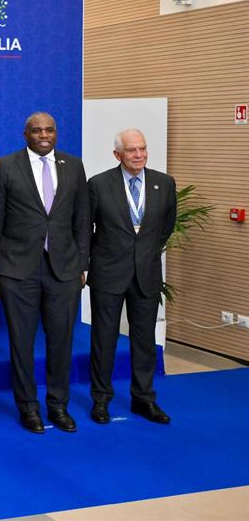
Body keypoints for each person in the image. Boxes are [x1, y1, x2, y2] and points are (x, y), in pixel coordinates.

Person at [0, 112, 90, 434]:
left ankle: (58, 406)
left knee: (62, 342)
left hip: (64, 269)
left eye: (49, 130)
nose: (44, 135)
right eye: (37, 130)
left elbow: (82, 220)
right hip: (18, 270)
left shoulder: (74, 166)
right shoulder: (6, 166)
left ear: (56, 133)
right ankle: (28, 408)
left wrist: (82, 264)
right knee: (21, 343)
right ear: (25, 134)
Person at [87, 129, 176, 425]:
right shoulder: (99, 184)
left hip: (146, 274)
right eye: (131, 150)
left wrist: (144, 252)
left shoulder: (164, 183)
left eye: (142, 149)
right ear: (117, 154)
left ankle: (144, 399)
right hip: (108, 273)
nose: (139, 155)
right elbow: (86, 229)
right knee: (104, 340)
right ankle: (101, 400)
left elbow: (166, 227)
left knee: (144, 341)